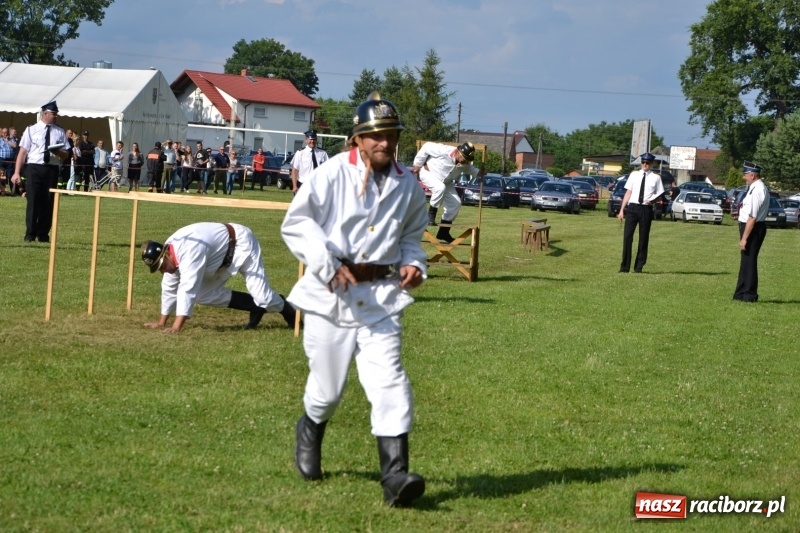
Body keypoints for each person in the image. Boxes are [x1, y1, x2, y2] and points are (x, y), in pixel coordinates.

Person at [281, 92, 428, 507]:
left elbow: (412, 237)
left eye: (391, 135)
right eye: (376, 135)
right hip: (332, 297)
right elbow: (297, 223)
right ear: (358, 139)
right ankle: (310, 427)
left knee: (389, 382)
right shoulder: (331, 174)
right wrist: (325, 263)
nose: (385, 142)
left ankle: (395, 478)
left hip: (382, 299)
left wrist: (415, 264)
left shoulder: (407, 185)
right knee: (328, 391)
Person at [140, 222, 298, 333]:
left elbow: (188, 288)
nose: (162, 271)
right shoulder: (170, 254)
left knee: (264, 298)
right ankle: (254, 306)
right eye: (158, 268)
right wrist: (162, 322)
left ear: (166, 252)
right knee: (202, 295)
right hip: (219, 259)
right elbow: (169, 287)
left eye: (161, 265)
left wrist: (176, 327)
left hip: (242, 245)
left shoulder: (190, 250)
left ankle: (288, 310)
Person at [10, 101, 70, 242]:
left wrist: (58, 152)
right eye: (53, 114)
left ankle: (43, 234)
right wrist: (17, 172)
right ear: (45, 114)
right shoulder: (31, 129)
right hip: (34, 168)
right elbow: (22, 152)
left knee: (49, 202)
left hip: (51, 169)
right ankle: (30, 234)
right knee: (33, 201)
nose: (56, 116)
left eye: (56, 114)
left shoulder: (59, 131)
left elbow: (66, 154)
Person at [412, 140, 479, 243]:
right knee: (439, 188)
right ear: (458, 152)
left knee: (456, 203)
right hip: (428, 173)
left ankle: (443, 232)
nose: (465, 162)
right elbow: (426, 146)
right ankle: (430, 216)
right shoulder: (444, 150)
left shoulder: (465, 164)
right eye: (464, 158)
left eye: (467, 160)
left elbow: (473, 171)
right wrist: (417, 164)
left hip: (446, 182)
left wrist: (481, 172)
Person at [617, 152, 664, 273]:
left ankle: (639, 267)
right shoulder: (634, 175)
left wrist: (652, 201)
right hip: (632, 208)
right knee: (627, 237)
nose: (645, 164)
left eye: (647, 163)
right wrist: (622, 210)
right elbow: (628, 192)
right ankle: (624, 267)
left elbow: (660, 194)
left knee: (643, 238)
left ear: (651, 164)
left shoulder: (656, 177)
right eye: (643, 162)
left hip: (645, 209)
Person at [733, 162, 769, 302]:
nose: (744, 177)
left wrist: (744, 239)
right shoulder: (754, 188)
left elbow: (753, 217)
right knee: (746, 261)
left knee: (749, 261)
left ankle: (749, 294)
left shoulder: (757, 190)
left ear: (752, 175)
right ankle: (740, 293)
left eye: (745, 175)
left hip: (753, 228)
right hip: (751, 226)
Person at [290, 130, 328, 194]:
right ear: (306, 140)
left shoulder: (322, 153)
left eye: (314, 139)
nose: (312, 141)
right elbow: (295, 170)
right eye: (310, 139)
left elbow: (327, 170)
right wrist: (294, 186)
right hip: (303, 184)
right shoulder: (300, 153)